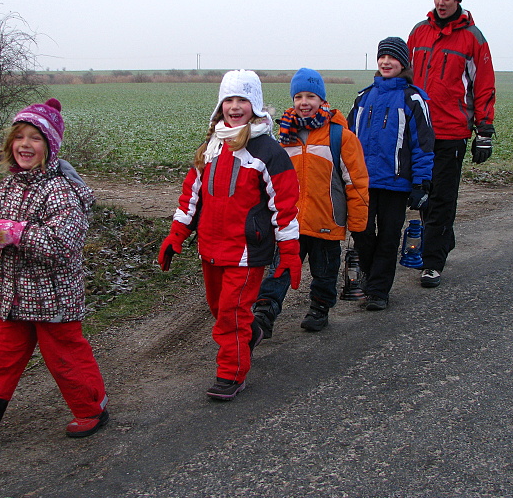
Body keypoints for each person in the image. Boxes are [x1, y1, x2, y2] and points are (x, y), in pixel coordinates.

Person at [0, 99, 108, 453]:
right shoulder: (8, 186)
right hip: (10, 295)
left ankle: (92, 409)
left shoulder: (60, 190)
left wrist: (16, 232)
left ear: (51, 146)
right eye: (20, 137)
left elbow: (65, 242)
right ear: (10, 144)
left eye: (36, 138)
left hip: (52, 296)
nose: (25, 145)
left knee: (66, 356)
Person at [158, 70, 301, 401]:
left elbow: (285, 207)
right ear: (221, 105)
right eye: (229, 100)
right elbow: (191, 196)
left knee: (231, 315)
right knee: (219, 307)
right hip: (210, 248)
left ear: (256, 105)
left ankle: (231, 374)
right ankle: (253, 332)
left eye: (243, 100)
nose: (235, 107)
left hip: (247, 253)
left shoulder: (268, 151)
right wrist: (176, 235)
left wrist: (290, 252)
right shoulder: (211, 147)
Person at [251, 68, 369, 336]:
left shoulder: (341, 137)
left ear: (322, 100)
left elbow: (356, 183)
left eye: (311, 96)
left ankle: (319, 307)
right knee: (279, 269)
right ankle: (264, 313)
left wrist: (359, 225)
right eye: (299, 96)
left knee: (325, 271)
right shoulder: (282, 137)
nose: (304, 102)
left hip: (327, 219)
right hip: (289, 221)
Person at [408, 0, 496, 288]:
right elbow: (405, 79)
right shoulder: (419, 33)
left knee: (443, 198)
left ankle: (431, 263)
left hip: (452, 130)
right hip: (420, 130)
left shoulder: (473, 38)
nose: (442, 3)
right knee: (424, 197)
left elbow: (484, 86)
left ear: (457, 0)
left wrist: (483, 132)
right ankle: (442, 240)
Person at [347, 37, 435, 311]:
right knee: (361, 232)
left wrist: (421, 183)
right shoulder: (363, 97)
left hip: (396, 184)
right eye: (382, 57)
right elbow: (346, 141)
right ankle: (374, 279)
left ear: (403, 63)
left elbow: (422, 144)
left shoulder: (413, 99)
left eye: (392, 58)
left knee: (388, 236)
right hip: (363, 183)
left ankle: (378, 291)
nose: (386, 62)